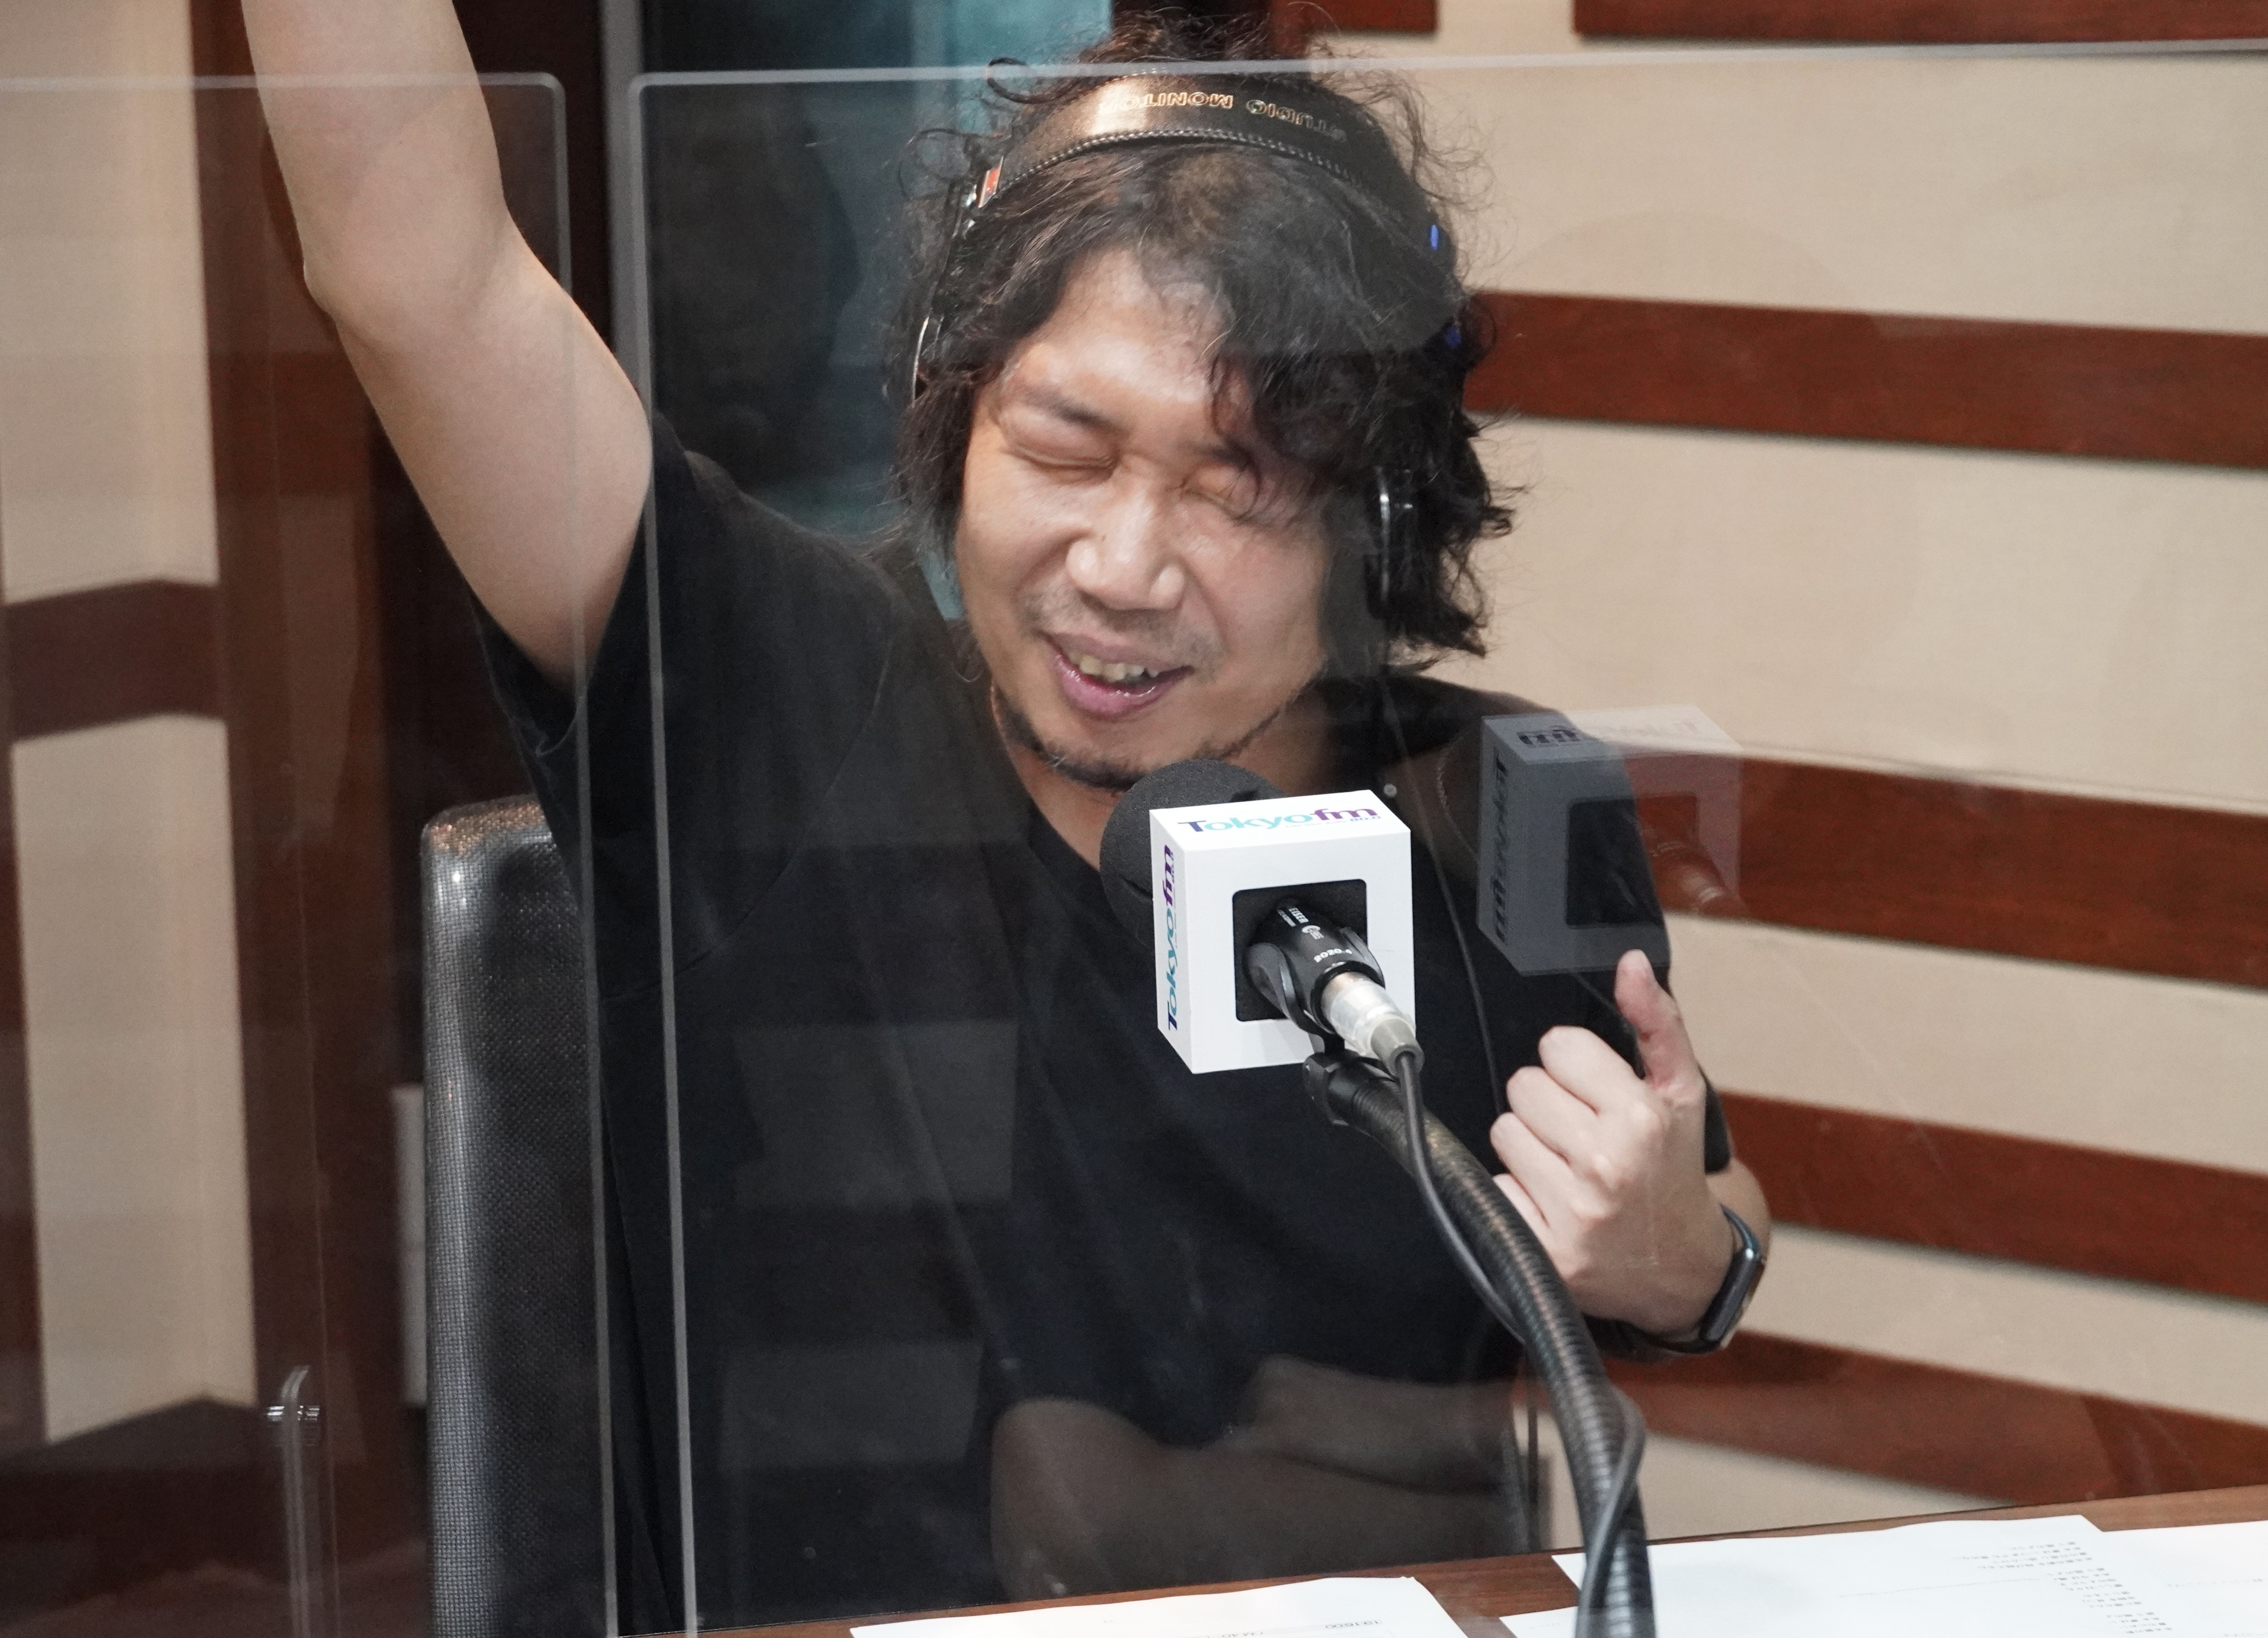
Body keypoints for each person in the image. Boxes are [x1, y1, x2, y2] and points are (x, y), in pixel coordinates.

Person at [243, 3, 1770, 1626]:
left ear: (1369, 522)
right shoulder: (778, 696)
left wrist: (1689, 1259)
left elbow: (1705, 1203)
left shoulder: (1495, 803)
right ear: (955, 422)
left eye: (1236, 487)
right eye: (1063, 447)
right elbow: (417, 278)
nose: (1122, 567)